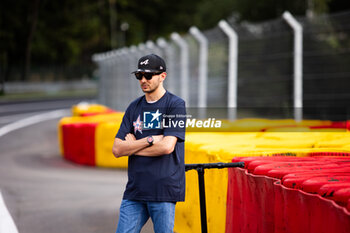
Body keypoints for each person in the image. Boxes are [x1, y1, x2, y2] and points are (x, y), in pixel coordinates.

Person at [112, 54, 186, 233]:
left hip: (163, 191)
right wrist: (149, 140)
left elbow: (167, 146)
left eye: (148, 75)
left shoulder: (175, 105)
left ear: (162, 76)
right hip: (135, 191)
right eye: (139, 76)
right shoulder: (133, 107)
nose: (143, 80)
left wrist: (132, 148)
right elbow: (117, 149)